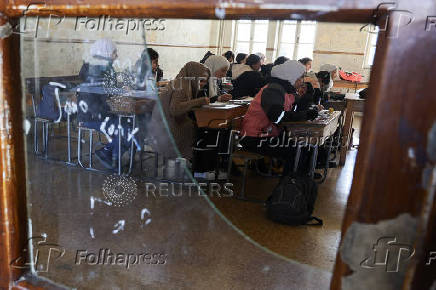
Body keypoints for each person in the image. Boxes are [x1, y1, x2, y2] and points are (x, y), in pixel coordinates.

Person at [239, 60, 318, 176]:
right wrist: (305, 114)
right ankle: (289, 185)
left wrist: (307, 101)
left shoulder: (285, 90)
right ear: (291, 76)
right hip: (254, 138)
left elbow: (292, 111)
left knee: (305, 145)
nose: (301, 82)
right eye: (300, 78)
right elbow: (277, 117)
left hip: (268, 134)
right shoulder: (273, 90)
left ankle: (302, 177)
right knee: (296, 149)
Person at [78, 38, 139, 169]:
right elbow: (99, 98)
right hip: (91, 117)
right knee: (128, 129)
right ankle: (110, 155)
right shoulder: (94, 71)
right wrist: (119, 98)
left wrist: (122, 88)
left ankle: (109, 154)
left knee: (132, 126)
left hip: (104, 114)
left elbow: (110, 90)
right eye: (114, 52)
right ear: (104, 53)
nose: (116, 56)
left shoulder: (104, 69)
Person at [156, 62, 210, 160]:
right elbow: (175, 109)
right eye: (201, 80)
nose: (203, 84)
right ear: (193, 76)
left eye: (205, 81)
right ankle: (200, 168)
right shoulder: (183, 86)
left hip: (162, 124)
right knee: (206, 133)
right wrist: (199, 101)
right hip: (168, 128)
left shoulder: (181, 82)